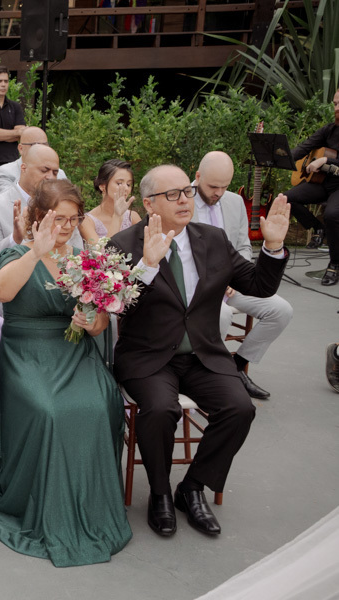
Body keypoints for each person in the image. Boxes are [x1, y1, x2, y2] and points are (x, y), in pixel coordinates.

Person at [108, 165, 291, 537]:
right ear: (148, 204)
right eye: (172, 194)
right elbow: (117, 307)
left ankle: (191, 488)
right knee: (160, 410)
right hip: (148, 356)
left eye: (187, 192)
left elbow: (258, 285)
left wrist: (271, 247)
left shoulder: (213, 238)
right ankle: (159, 492)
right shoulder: (124, 245)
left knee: (240, 408)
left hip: (203, 354)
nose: (185, 200)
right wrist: (147, 265)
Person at [0, 179, 131, 566]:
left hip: (73, 352)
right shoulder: (16, 253)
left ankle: (89, 502)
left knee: (98, 406)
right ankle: (40, 500)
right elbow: (1, 292)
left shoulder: (85, 260)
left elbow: (101, 323)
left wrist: (91, 322)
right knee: (51, 412)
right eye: (58, 218)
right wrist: (35, 253)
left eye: (74, 219)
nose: (67, 227)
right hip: (26, 355)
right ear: (38, 216)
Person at [191, 151, 293, 400]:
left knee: (282, 310)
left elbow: (244, 246)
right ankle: (209, 375)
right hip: (197, 288)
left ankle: (236, 368)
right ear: (197, 176)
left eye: (224, 186)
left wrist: (239, 276)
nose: (218, 192)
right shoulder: (180, 201)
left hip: (232, 285)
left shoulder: (234, 202)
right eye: (213, 186)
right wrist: (214, 280)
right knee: (222, 316)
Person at [0, 143, 61, 281]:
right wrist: (13, 239)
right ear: (23, 168)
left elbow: (76, 255)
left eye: (55, 172)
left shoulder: (61, 207)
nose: (50, 177)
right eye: (44, 170)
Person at [285, 87, 339, 285]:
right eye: (335, 104)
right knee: (285, 199)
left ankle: (335, 264)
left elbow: (329, 160)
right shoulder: (329, 130)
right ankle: (317, 228)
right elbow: (305, 148)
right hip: (323, 183)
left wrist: (326, 160)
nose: (336, 108)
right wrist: (280, 158)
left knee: (333, 214)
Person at [78, 159, 141, 245]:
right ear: (102, 186)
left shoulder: (132, 217)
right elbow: (103, 255)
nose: (125, 188)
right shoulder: (87, 221)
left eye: (128, 184)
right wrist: (117, 216)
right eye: (119, 183)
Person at [0, 127, 68, 196]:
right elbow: (7, 201)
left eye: (44, 145)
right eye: (35, 145)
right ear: (21, 149)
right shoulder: (4, 172)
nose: (40, 149)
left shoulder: (59, 174)